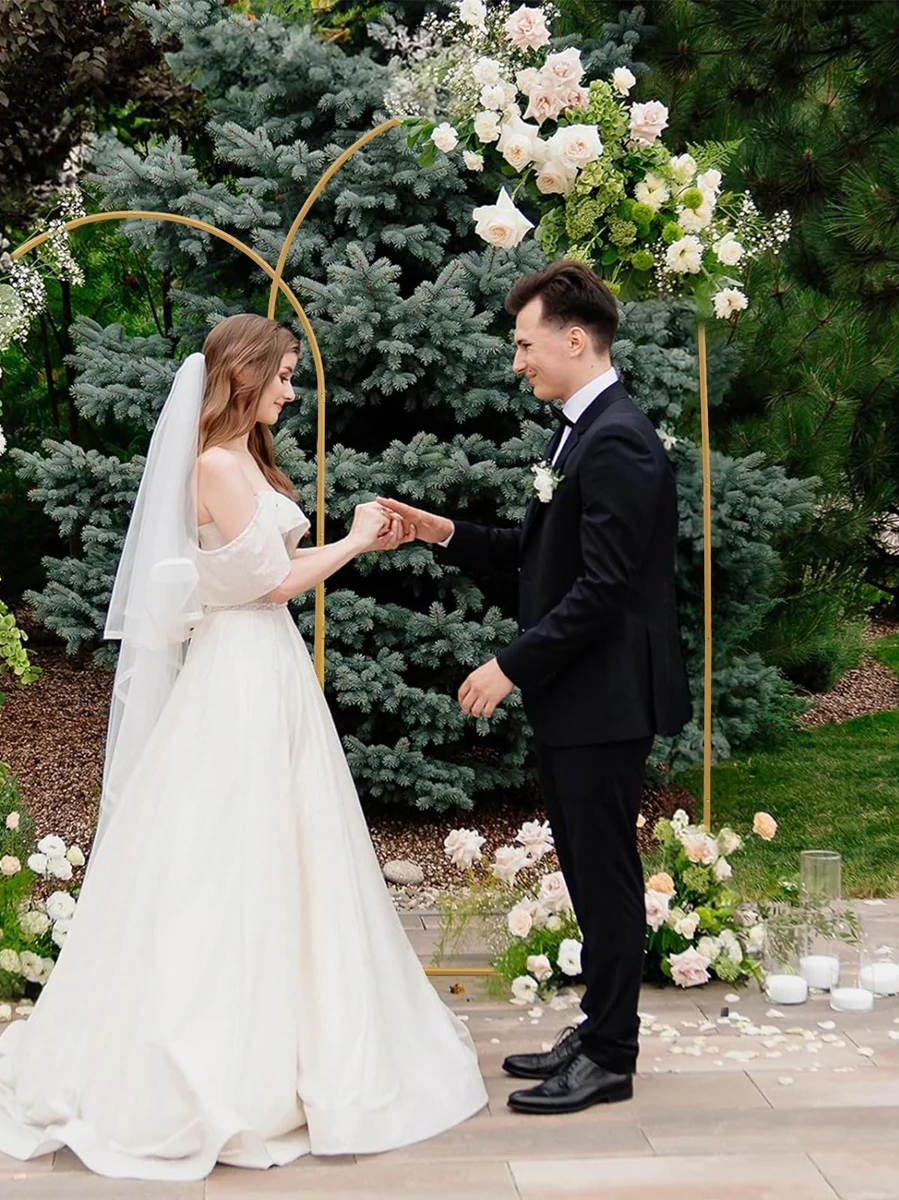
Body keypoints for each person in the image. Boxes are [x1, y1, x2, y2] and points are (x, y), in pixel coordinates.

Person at [0, 313, 486, 1179]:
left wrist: (351, 535)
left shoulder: (246, 461)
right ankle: (220, 1056)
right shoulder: (216, 465)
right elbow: (269, 584)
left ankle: (291, 1032)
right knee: (226, 852)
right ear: (243, 376)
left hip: (263, 675)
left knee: (281, 846)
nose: (291, 390)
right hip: (239, 673)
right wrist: (351, 541)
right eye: (281, 376)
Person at [380, 261, 691, 1116]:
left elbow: (603, 587)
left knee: (605, 874)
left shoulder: (618, 438)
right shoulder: (575, 432)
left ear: (575, 338)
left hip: (606, 699)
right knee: (591, 872)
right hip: (579, 700)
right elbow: (535, 551)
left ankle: (612, 1055)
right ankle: (597, 1028)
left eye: (525, 343)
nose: (517, 361)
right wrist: (440, 531)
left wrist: (509, 664)